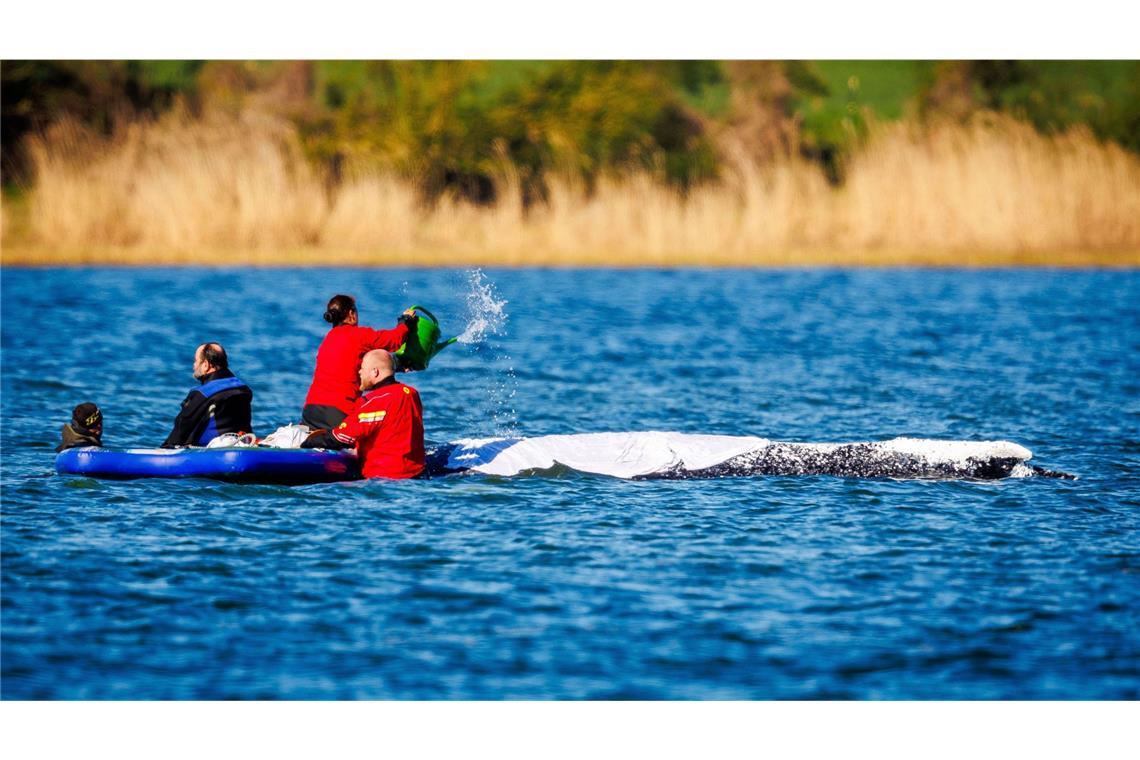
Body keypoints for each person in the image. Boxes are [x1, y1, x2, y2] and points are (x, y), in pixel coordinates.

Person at [302, 349, 424, 479]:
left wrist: (308, 442)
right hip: (416, 474)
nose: (359, 372)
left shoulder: (374, 401)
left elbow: (342, 437)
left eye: (362, 368)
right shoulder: (411, 393)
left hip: (383, 479)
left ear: (375, 372)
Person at [302, 294, 416, 431]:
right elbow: (394, 340)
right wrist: (405, 321)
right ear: (352, 314)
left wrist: (397, 366)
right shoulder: (359, 335)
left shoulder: (328, 340)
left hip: (310, 411)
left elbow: (353, 368)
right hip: (338, 413)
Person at [162, 342, 254, 448]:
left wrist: (165, 449)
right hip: (244, 444)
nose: (194, 365)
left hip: (211, 451)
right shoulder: (243, 389)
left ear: (206, 365)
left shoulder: (202, 393)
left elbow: (182, 428)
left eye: (196, 361)